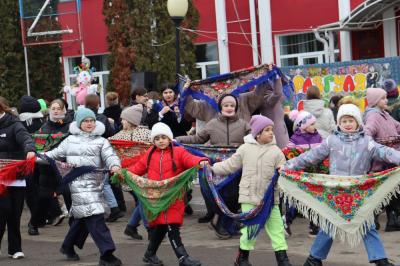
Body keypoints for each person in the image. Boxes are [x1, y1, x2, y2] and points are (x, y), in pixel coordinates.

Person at [284, 103, 400, 266]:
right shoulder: (331, 141)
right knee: (330, 224)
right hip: (336, 191)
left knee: (366, 223)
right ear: (339, 122)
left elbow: (385, 152)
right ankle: (314, 260)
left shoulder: (367, 142)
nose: (347, 124)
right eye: (344, 121)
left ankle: (380, 260)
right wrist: (288, 165)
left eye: (351, 120)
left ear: (358, 122)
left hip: (359, 191)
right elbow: (311, 156)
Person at [44, 107, 122, 266]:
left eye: (92, 120)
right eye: (85, 121)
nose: (89, 123)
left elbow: (111, 156)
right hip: (77, 185)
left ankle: (67, 246)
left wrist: (115, 166)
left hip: (95, 184)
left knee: (83, 217)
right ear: (79, 123)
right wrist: (34, 158)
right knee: (95, 217)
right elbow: (53, 155)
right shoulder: (69, 140)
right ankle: (107, 254)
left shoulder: (102, 141)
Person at [212, 115, 293, 266]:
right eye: (267, 130)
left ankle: (283, 260)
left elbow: (285, 174)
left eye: (272, 130)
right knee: (250, 230)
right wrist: (211, 168)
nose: (271, 133)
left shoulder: (276, 152)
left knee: (277, 230)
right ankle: (242, 258)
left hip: (270, 200)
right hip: (249, 197)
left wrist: (285, 171)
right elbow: (229, 165)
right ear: (257, 133)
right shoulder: (245, 149)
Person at [129, 122, 207, 266]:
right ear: (153, 141)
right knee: (162, 227)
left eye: (163, 137)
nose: (160, 141)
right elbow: (137, 167)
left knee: (171, 226)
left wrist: (201, 161)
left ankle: (182, 258)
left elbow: (190, 160)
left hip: (173, 198)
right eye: (157, 138)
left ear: (169, 138)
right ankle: (150, 255)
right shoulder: (150, 154)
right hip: (156, 199)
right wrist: (123, 173)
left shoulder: (179, 152)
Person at [177, 94, 250, 237]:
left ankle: (226, 225)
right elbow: (198, 138)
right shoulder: (212, 124)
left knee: (235, 197)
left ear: (236, 107)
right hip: (217, 167)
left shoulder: (244, 124)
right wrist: (177, 139)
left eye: (232, 106)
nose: (229, 108)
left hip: (237, 167)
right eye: (226, 105)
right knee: (221, 196)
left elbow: (253, 138)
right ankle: (221, 224)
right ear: (221, 107)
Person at [29, 99, 72, 236]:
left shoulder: (71, 127)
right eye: (53, 108)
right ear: (49, 110)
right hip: (46, 169)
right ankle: (34, 223)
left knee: (70, 196)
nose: (56, 111)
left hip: (65, 169)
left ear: (64, 110)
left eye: (59, 108)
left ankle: (75, 226)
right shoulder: (43, 128)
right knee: (43, 199)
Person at [109, 104, 152, 240]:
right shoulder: (119, 136)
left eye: (124, 119)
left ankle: (131, 226)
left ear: (132, 120)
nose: (121, 122)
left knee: (143, 201)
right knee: (144, 201)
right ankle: (151, 230)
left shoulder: (146, 134)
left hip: (144, 173)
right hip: (129, 174)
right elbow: (108, 145)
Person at [0, 96, 36, 259]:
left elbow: (26, 138)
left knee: (15, 212)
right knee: (2, 210)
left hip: (15, 174)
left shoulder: (14, 124)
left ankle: (15, 248)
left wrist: (30, 149)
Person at [364, 88, 400, 232]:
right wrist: (373, 145)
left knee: (393, 191)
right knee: (381, 192)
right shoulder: (373, 116)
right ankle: (373, 220)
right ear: (374, 101)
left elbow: (397, 126)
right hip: (381, 161)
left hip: (390, 159)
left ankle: (392, 219)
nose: (386, 100)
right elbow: (367, 132)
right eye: (383, 98)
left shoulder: (385, 114)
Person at [260, 77, 290, 148]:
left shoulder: (270, 97)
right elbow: (278, 93)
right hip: (276, 133)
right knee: (281, 155)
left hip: (280, 131)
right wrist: (277, 77)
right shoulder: (267, 99)